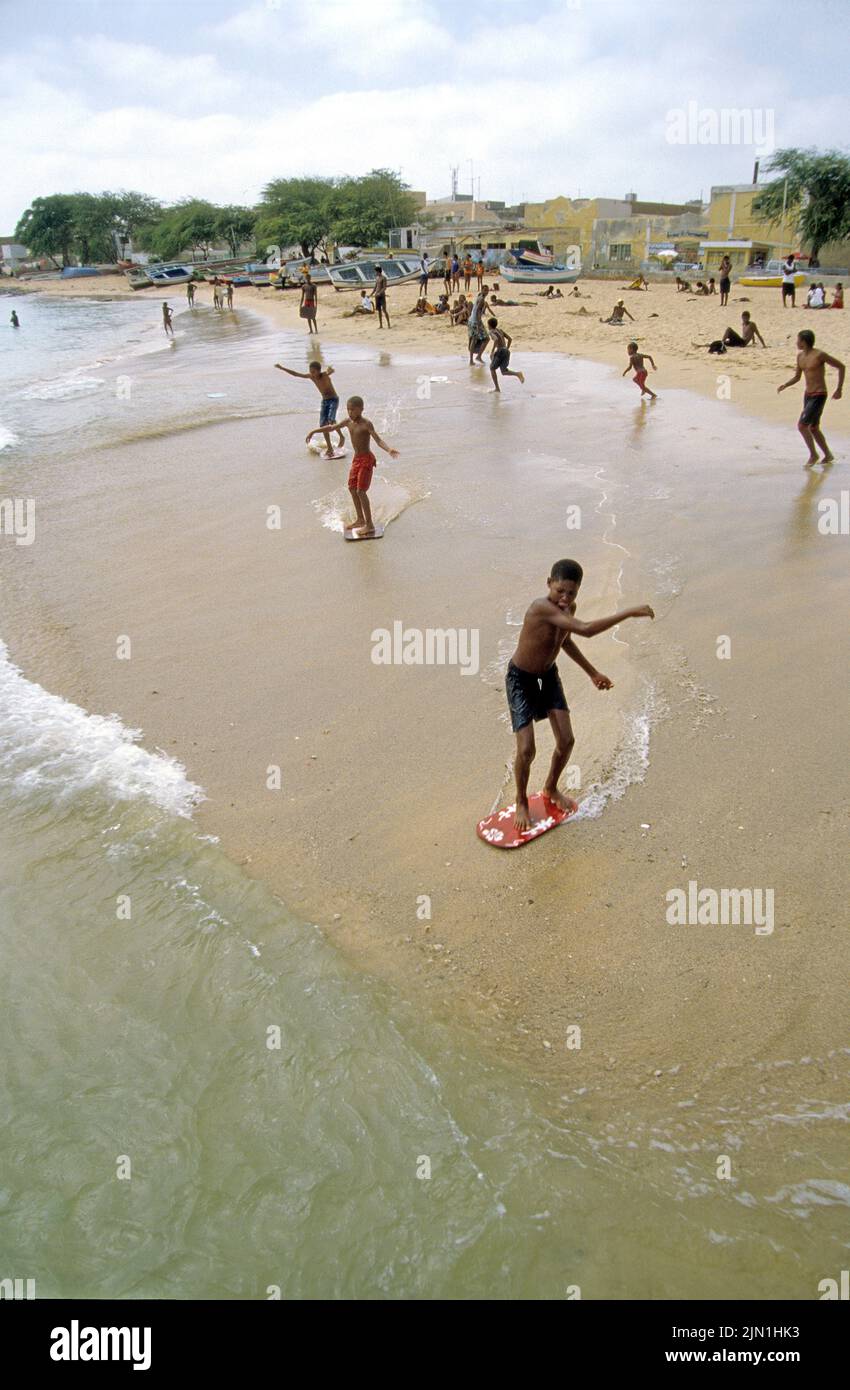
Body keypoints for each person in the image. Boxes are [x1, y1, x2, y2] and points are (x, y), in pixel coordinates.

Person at [505, 558, 654, 832]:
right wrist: (629, 612)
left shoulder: (567, 609)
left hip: (547, 676)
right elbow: (584, 630)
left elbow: (567, 640)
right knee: (527, 749)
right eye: (559, 590)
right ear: (549, 583)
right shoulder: (540, 607)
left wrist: (592, 672)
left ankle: (550, 788)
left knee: (567, 740)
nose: (565, 597)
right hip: (521, 679)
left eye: (571, 593)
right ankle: (521, 801)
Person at [306, 395, 399, 537]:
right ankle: (360, 519)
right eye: (348, 409)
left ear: (361, 409)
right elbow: (331, 427)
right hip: (356, 460)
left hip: (366, 460)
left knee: (361, 491)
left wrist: (389, 449)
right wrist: (313, 431)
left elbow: (378, 440)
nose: (350, 412)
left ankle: (369, 525)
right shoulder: (348, 422)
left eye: (353, 410)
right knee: (352, 489)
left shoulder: (367, 424)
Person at [777, 329, 844, 466]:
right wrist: (786, 385)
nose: (796, 342)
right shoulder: (800, 357)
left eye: (798, 340)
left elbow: (841, 367)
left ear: (804, 341)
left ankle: (813, 455)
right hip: (808, 394)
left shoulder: (819, 355)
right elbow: (797, 377)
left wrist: (839, 389)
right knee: (813, 427)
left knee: (802, 426)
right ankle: (828, 455)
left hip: (819, 394)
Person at [275, 359, 345, 458]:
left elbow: (331, 371)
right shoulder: (311, 377)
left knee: (331, 420)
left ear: (319, 371)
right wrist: (282, 368)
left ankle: (341, 437)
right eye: (310, 371)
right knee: (323, 425)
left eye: (313, 372)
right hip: (324, 401)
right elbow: (295, 374)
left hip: (333, 399)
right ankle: (330, 447)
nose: (311, 373)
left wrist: (331, 370)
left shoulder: (324, 375)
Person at [487, 317, 525, 392]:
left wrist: (492, 351)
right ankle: (517, 374)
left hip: (500, 351)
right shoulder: (500, 330)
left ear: (490, 325)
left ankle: (497, 388)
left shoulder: (491, 331)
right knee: (503, 371)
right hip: (506, 351)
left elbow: (496, 340)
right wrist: (506, 348)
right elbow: (510, 339)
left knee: (492, 368)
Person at [467, 283, 492, 363]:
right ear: (482, 290)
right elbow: (478, 311)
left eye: (487, 290)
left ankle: (476, 357)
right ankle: (474, 358)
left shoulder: (480, 296)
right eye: (485, 290)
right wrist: (478, 324)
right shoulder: (481, 299)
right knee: (483, 339)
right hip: (475, 321)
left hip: (472, 320)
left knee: (475, 339)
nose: (486, 292)